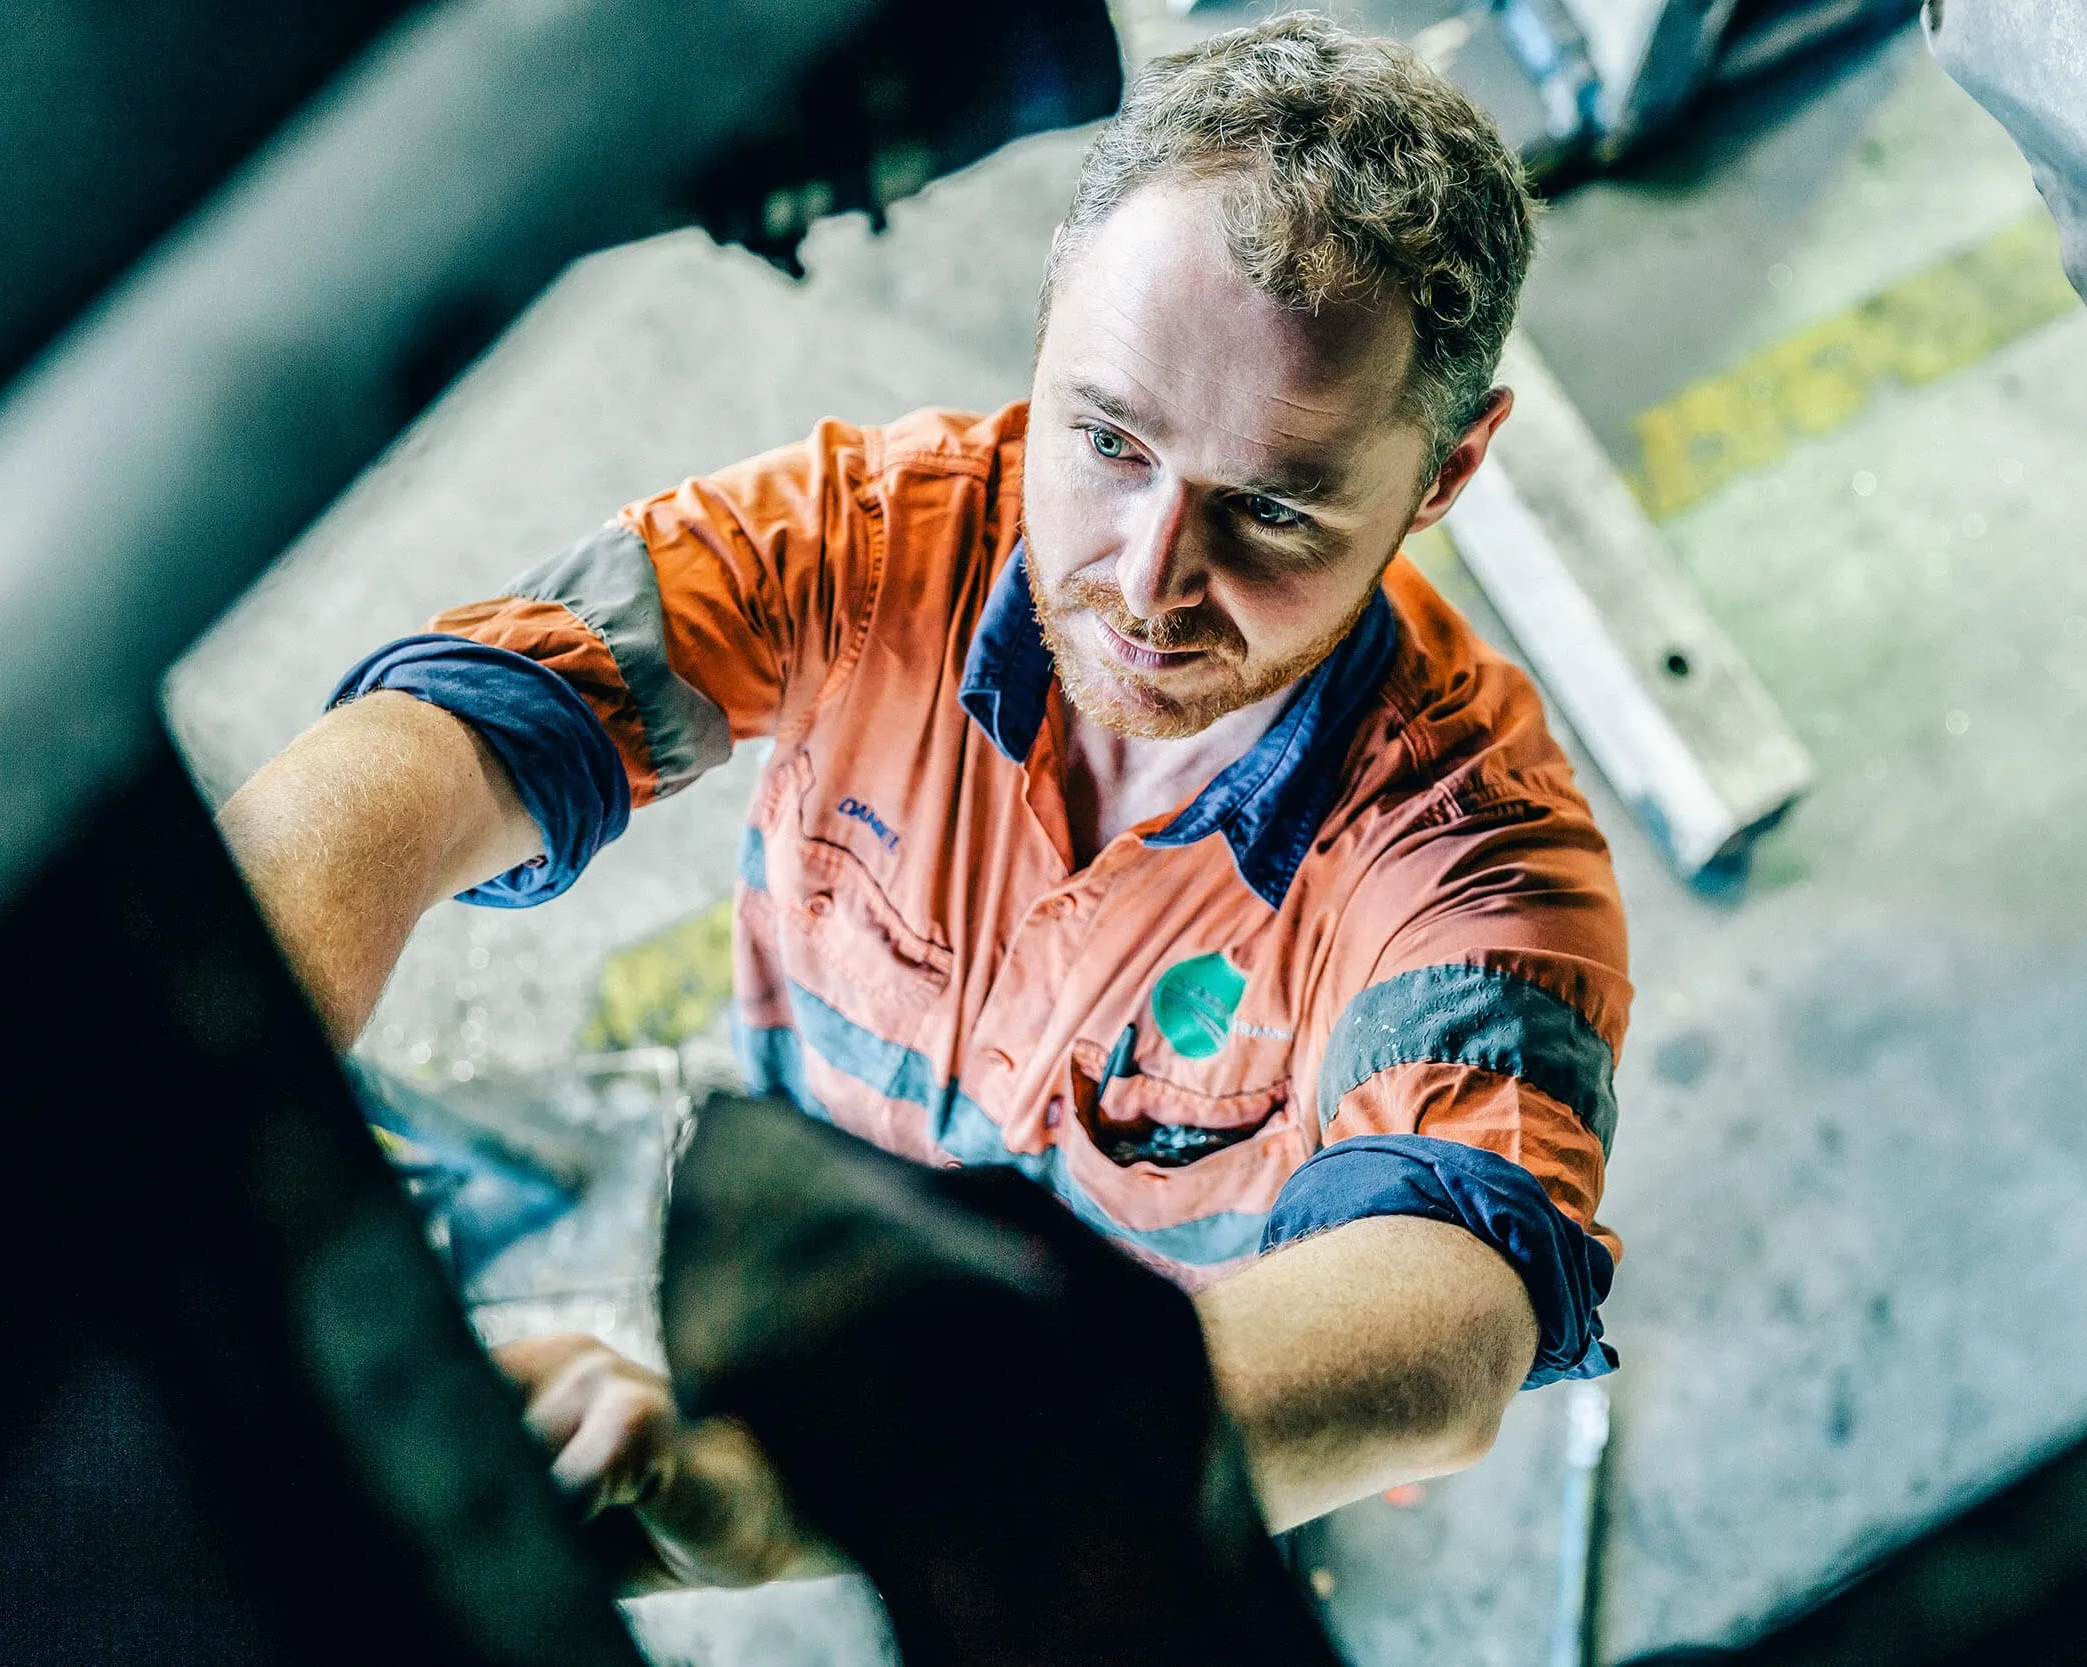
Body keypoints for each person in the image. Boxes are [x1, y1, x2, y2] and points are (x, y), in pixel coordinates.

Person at [220, 14, 1630, 1582]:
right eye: (1105, 439)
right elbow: (434, 746)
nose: (1144, 583)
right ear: (1047, 316)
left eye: (1272, 511)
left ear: (1444, 473)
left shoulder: (1478, 858)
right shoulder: (872, 542)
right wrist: (201, 1108)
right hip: (825, 1204)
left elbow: (1441, 1329)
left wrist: (876, 1483)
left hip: (1168, 1397)